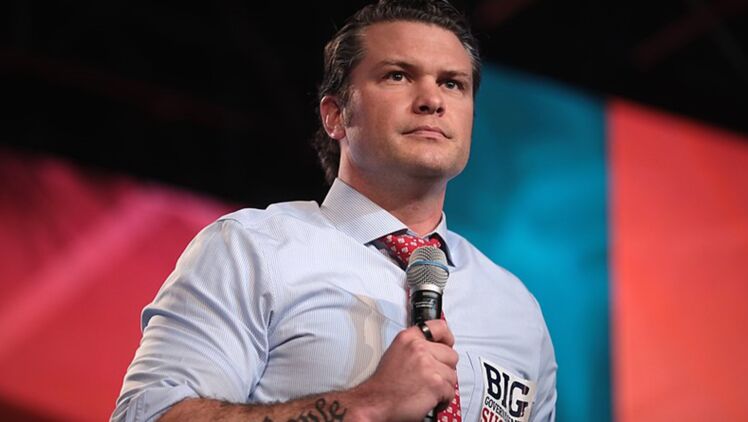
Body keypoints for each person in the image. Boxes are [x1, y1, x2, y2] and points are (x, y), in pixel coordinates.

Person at [112, 1, 557, 421]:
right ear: (336, 115)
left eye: (452, 83)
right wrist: (368, 404)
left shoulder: (516, 310)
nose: (432, 100)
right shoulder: (251, 249)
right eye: (398, 76)